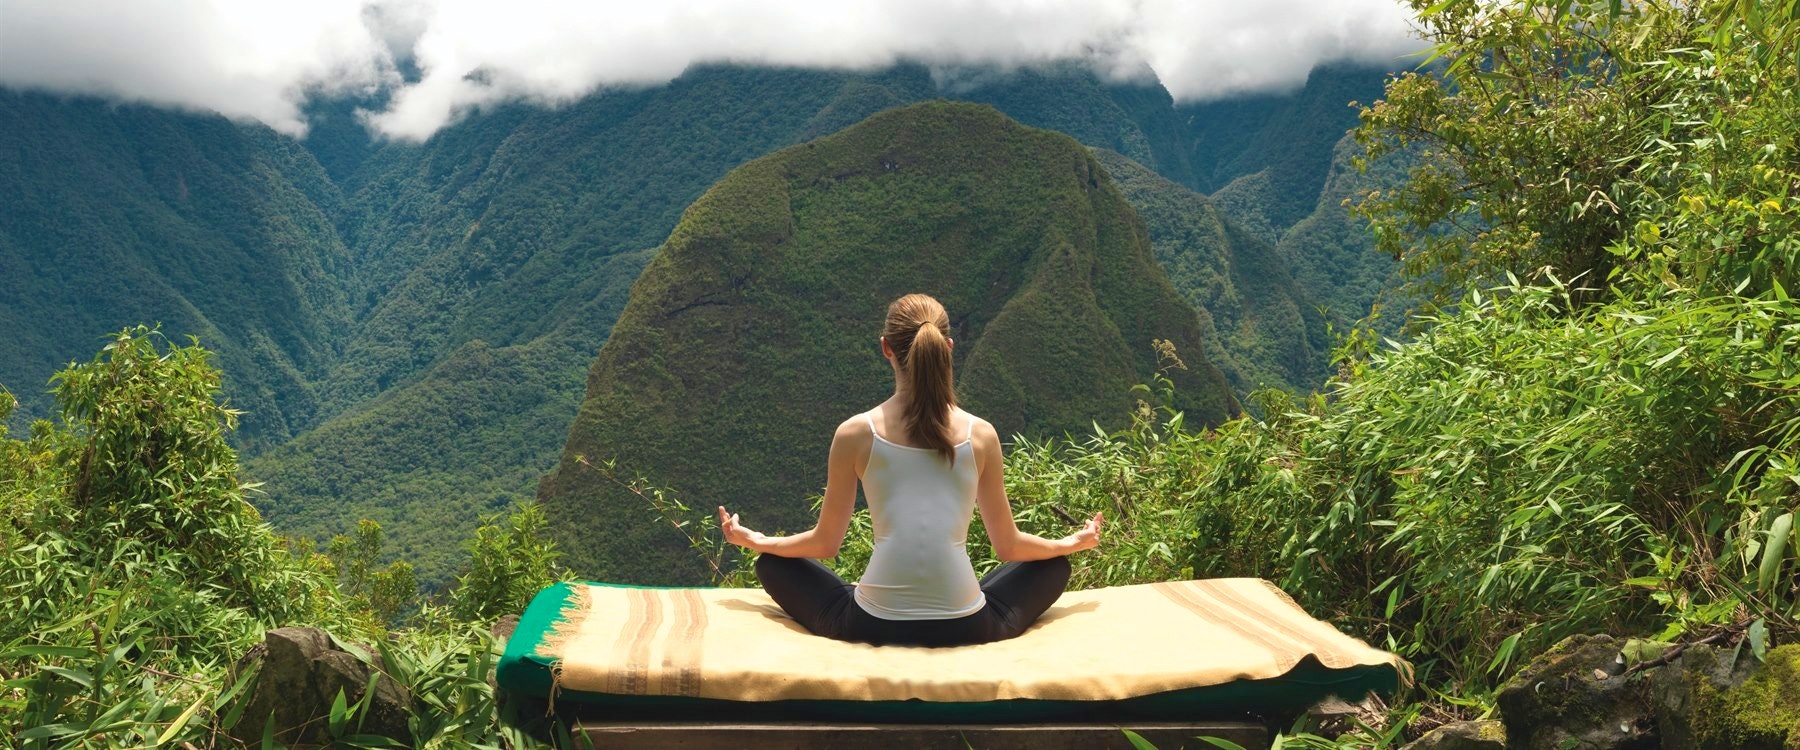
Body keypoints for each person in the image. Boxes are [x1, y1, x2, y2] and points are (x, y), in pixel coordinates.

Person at [717, 293, 1103, 647]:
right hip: (967, 625)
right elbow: (1009, 546)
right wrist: (1069, 543)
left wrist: (759, 541)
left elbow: (825, 544)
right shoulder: (981, 435)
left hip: (872, 623)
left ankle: (874, 591)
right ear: (948, 347)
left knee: (773, 564)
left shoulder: (855, 433)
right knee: (1052, 566)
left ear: (886, 347)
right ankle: (956, 595)